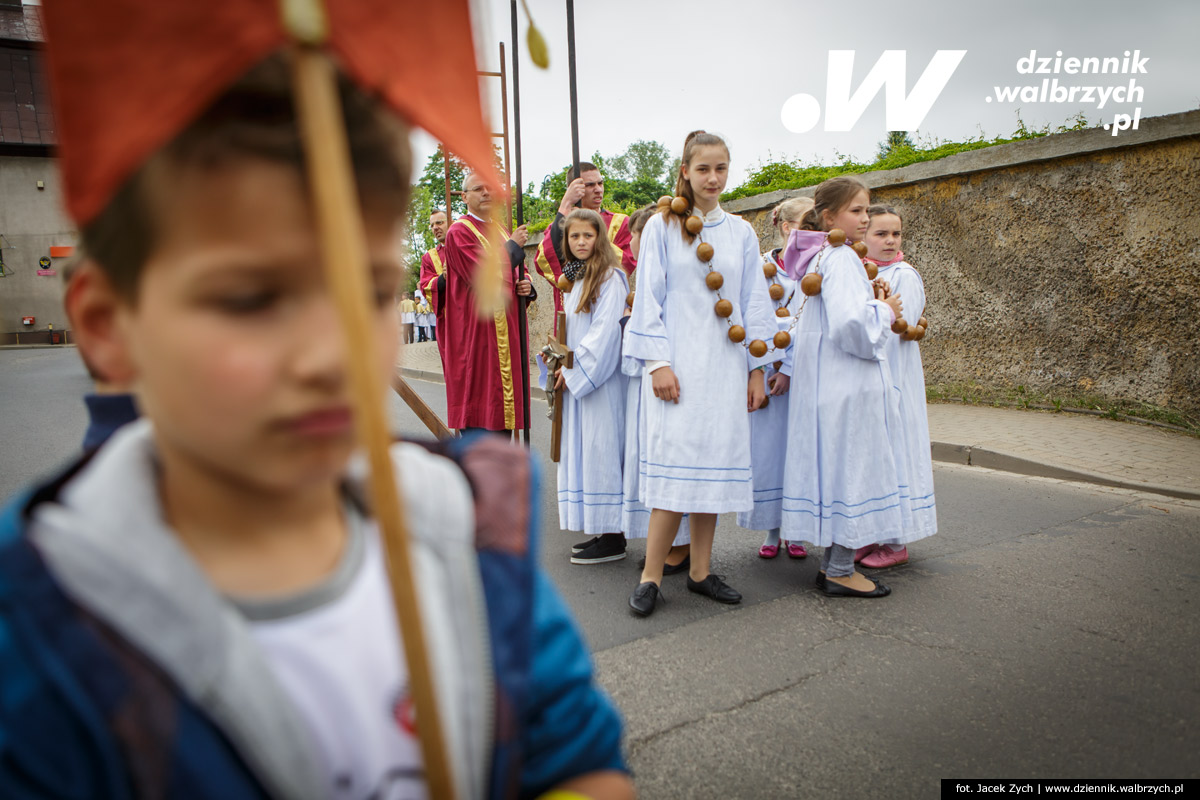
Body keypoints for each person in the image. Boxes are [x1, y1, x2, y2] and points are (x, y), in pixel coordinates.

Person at [0, 57, 631, 800]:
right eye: (251, 297)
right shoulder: (47, 627)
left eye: (366, 290)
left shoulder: (464, 529)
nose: (331, 352)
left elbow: (576, 758)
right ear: (109, 329)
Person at [622, 131, 777, 617]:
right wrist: (658, 362)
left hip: (726, 369)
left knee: (712, 469)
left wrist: (756, 370)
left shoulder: (742, 233)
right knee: (674, 474)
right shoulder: (665, 227)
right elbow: (648, 296)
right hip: (679, 368)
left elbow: (754, 302)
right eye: (704, 168)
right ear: (685, 170)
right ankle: (651, 576)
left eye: (722, 168)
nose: (713, 178)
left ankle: (701, 572)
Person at [777, 176, 908, 599]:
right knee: (853, 472)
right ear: (830, 216)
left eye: (866, 210)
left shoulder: (821, 256)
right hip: (849, 384)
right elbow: (853, 327)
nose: (865, 218)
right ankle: (839, 570)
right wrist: (884, 310)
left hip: (828, 385)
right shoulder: (843, 258)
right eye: (857, 210)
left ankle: (837, 564)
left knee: (839, 473)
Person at [855, 204, 937, 568]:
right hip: (867, 383)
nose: (890, 241)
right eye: (881, 234)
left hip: (894, 380)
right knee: (871, 459)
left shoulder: (904, 276)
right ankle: (871, 533)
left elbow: (891, 331)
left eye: (896, 234)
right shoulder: (858, 272)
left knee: (895, 455)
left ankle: (895, 541)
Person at [553, 209, 630, 565]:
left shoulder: (610, 278)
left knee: (602, 448)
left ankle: (614, 535)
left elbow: (604, 336)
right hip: (579, 378)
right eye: (574, 237)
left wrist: (571, 372)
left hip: (600, 382)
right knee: (588, 449)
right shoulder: (575, 277)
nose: (581, 242)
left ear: (600, 238)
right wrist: (555, 358)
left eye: (587, 236)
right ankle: (601, 528)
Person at [618, 204, 692, 575]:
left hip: (663, 377)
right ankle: (669, 543)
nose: (637, 244)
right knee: (653, 459)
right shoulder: (639, 273)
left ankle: (680, 546)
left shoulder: (666, 273)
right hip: (647, 382)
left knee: (669, 459)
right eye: (637, 236)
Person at [739, 197, 812, 561]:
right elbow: (755, 319)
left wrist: (790, 368)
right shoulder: (761, 267)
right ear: (787, 228)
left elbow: (813, 324)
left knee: (799, 452)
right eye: (808, 222)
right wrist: (770, 366)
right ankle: (771, 527)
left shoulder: (816, 268)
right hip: (767, 375)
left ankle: (797, 529)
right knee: (769, 456)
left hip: (804, 374)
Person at [439, 172, 534, 435]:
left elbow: (514, 274)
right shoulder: (459, 231)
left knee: (503, 415)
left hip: (505, 331)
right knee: (482, 410)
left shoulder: (501, 231)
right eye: (478, 188)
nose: (486, 193)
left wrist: (526, 287)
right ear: (465, 196)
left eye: (490, 187)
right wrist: (513, 247)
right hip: (479, 333)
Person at [533, 162, 637, 326]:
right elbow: (544, 260)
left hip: (607, 306)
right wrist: (565, 205)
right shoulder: (561, 226)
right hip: (573, 311)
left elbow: (626, 263)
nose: (598, 189)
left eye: (600, 183)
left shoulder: (621, 223)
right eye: (590, 185)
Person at [418, 208, 448, 355]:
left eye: (440, 223)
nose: (435, 227)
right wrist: (443, 278)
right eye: (432, 225)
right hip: (448, 322)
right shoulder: (429, 257)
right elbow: (426, 287)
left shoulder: (466, 246)